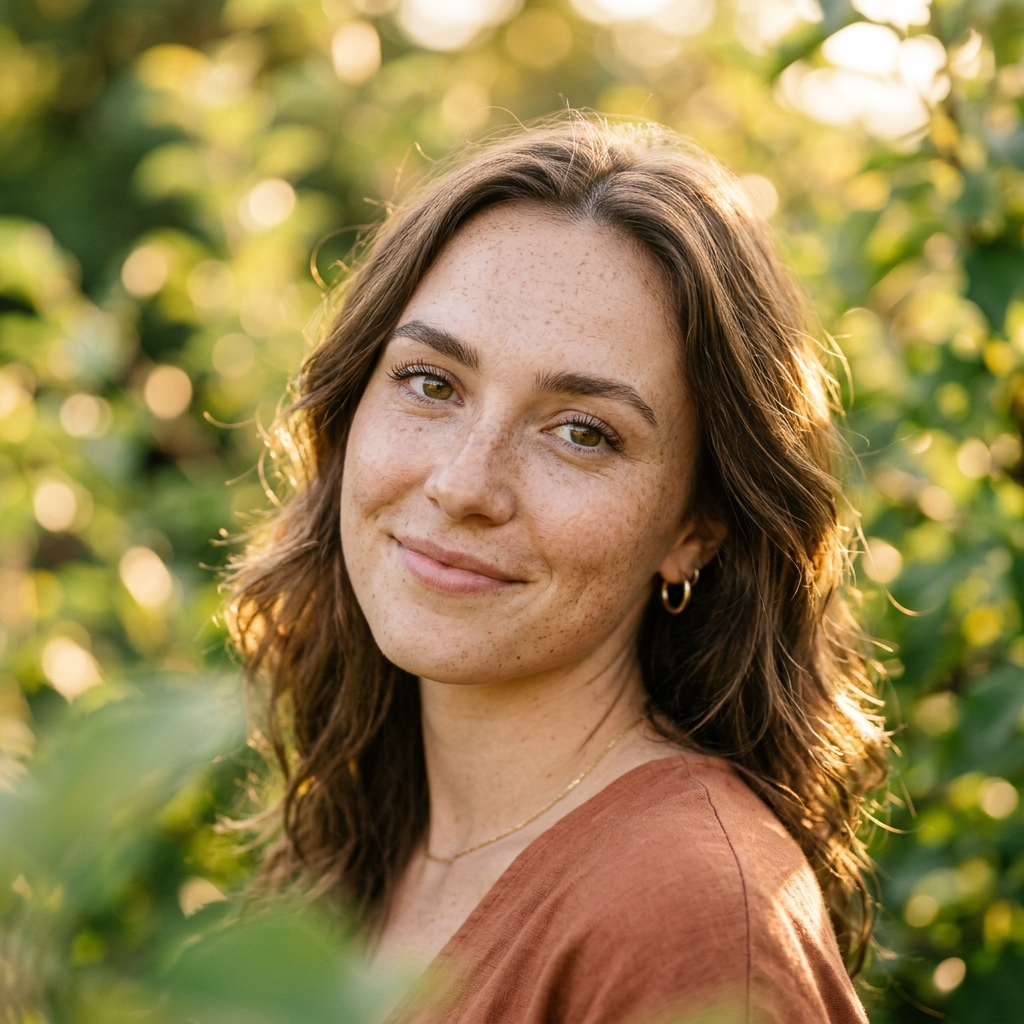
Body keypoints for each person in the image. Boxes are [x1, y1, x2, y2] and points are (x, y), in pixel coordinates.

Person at [228, 114, 889, 1024]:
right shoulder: (379, 846)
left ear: (697, 528)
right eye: (430, 383)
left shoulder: (687, 920)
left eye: (582, 433)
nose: (464, 484)